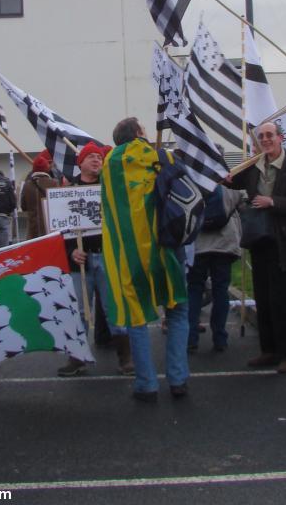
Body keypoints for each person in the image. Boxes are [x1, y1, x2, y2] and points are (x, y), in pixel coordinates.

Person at [100, 118, 189, 402]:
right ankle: (177, 379)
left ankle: (146, 383)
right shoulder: (161, 156)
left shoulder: (108, 163)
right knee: (177, 311)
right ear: (139, 134)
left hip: (128, 253)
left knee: (136, 317)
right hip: (165, 247)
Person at [225, 121, 286, 374]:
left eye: (269, 135)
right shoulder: (254, 166)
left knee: (282, 298)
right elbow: (233, 180)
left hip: (284, 241)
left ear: (280, 138)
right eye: (261, 136)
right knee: (262, 296)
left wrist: (272, 201)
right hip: (260, 238)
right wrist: (227, 177)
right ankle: (269, 350)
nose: (265, 139)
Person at [56, 142, 132, 377]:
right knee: (78, 310)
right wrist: (70, 251)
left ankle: (125, 359)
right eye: (91, 157)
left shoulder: (109, 188)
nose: (97, 160)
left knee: (113, 309)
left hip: (107, 257)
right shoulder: (69, 190)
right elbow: (61, 227)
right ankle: (77, 358)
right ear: (81, 163)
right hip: (80, 261)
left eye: (99, 157)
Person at [186, 179, 243, 353]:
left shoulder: (191, 183)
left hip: (197, 245)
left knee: (194, 289)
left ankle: (191, 338)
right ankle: (220, 337)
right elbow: (243, 200)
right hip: (224, 245)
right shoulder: (227, 186)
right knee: (220, 290)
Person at [20, 150, 58, 240]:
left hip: (33, 231)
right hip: (50, 231)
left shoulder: (27, 184)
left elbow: (23, 206)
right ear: (47, 168)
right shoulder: (54, 183)